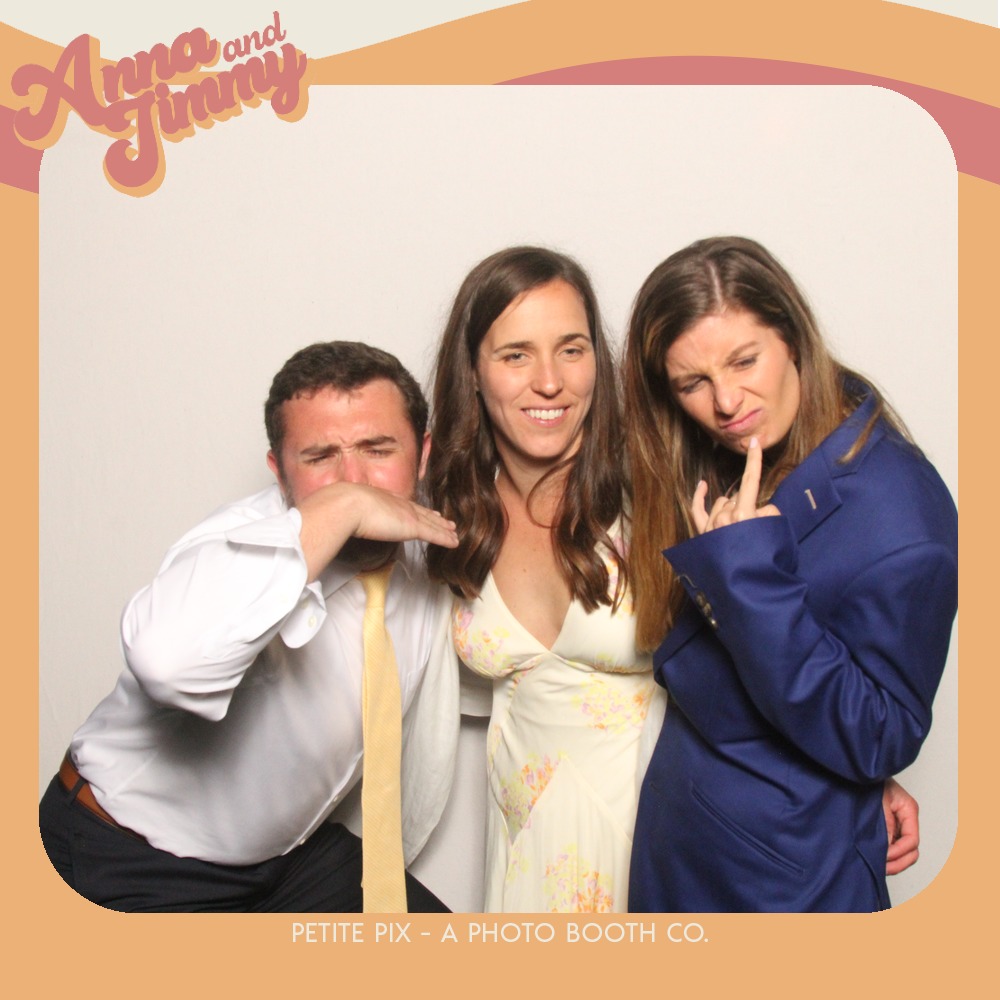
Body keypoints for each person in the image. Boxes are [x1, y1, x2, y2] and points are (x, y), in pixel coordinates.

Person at [39, 341, 460, 912]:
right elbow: (168, 664)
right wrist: (343, 509)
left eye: (378, 449)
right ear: (278, 472)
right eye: (319, 458)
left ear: (423, 453)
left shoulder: (427, 533)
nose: (354, 480)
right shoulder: (235, 544)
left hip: (289, 861)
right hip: (132, 853)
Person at [622, 236, 958, 912]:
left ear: (793, 339)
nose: (726, 401)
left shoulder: (902, 512)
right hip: (683, 843)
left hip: (786, 883)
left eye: (744, 360)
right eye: (692, 383)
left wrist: (746, 577)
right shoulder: (747, 445)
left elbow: (882, 732)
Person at [426, 246, 664, 912]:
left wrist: (841, 773)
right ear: (473, 373)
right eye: (516, 356)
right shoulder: (451, 515)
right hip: (525, 842)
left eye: (571, 350)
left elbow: (761, 642)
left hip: (655, 834)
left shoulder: (655, 491)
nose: (550, 382)